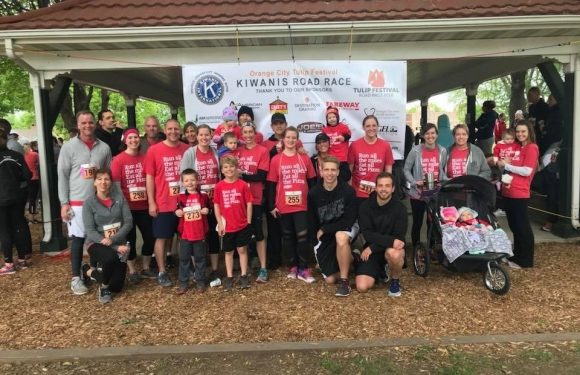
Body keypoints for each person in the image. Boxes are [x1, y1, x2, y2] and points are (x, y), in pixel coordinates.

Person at [58, 110, 112, 295]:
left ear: (95, 124)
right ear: (78, 125)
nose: (87, 126)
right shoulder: (68, 147)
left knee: (98, 239)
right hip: (78, 202)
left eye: (90, 122)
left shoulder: (104, 147)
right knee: (79, 239)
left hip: (98, 201)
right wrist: (64, 203)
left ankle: (94, 271)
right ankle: (76, 277)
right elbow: (63, 176)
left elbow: (108, 174)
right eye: (83, 123)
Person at [267, 126, 317, 283]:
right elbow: (270, 184)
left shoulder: (304, 158)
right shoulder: (276, 159)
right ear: (283, 139)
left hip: (302, 204)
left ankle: (303, 268)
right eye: (288, 137)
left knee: (302, 236)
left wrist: (312, 204)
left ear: (297, 140)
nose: (290, 140)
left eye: (293, 138)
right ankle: (292, 266)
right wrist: (271, 205)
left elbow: (312, 181)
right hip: (283, 204)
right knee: (288, 237)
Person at [145, 119, 190, 287]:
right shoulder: (154, 150)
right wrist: (151, 202)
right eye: (170, 129)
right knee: (162, 237)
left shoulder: (187, 149)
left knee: (185, 237)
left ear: (180, 131)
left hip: (184, 202)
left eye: (176, 129)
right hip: (163, 202)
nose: (173, 132)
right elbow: (149, 177)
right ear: (165, 130)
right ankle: (162, 271)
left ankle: (186, 269)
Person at [308, 156, 357, 297]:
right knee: (329, 279)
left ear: (338, 172)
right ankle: (353, 259)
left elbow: (349, 220)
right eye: (326, 170)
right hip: (326, 235)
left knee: (340, 237)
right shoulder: (314, 193)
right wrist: (315, 242)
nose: (330, 173)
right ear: (321, 172)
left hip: (346, 228)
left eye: (333, 170)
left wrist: (324, 229)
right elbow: (311, 220)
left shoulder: (348, 191)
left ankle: (344, 281)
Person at [111, 128, 155, 283]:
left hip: (144, 206)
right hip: (127, 208)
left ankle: (146, 267)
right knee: (130, 239)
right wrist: (120, 206)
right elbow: (115, 186)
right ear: (125, 140)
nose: (134, 140)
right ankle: (132, 270)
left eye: (136, 137)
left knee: (150, 237)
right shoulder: (118, 160)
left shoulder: (146, 158)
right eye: (130, 138)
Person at [179, 124, 222, 287]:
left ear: (211, 135)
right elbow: (184, 177)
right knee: (195, 234)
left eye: (207, 135)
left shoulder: (215, 152)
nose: (204, 137)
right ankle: (198, 272)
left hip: (213, 200)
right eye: (201, 135)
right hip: (196, 201)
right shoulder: (190, 153)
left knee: (213, 234)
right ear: (196, 136)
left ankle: (215, 268)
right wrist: (187, 199)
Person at [82, 168, 132, 303]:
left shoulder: (120, 199)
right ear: (94, 183)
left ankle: (88, 271)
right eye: (99, 179)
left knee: (116, 287)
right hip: (96, 242)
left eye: (106, 179)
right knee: (110, 258)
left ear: (111, 182)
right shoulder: (89, 203)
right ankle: (104, 288)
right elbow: (90, 230)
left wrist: (113, 240)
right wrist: (111, 244)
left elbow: (128, 223)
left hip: (117, 241)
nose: (103, 182)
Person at [260, 113, 303, 269]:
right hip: (272, 189)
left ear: (286, 124)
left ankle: (295, 259)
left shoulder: (294, 141)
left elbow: (301, 158)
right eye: (275, 123)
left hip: (292, 191)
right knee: (274, 228)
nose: (279, 126)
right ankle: (275, 259)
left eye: (281, 123)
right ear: (271, 126)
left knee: (292, 229)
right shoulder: (266, 144)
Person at [356, 172, 408, 296]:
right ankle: (380, 270)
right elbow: (367, 234)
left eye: (387, 186)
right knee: (362, 287)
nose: (383, 189)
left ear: (393, 188)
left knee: (394, 253)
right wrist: (382, 244)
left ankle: (395, 281)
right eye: (380, 186)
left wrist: (373, 247)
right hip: (372, 251)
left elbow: (399, 240)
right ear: (375, 187)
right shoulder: (365, 206)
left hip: (384, 248)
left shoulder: (400, 209)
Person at [497, 121, 539, 269]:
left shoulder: (531, 148)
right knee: (514, 225)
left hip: (520, 193)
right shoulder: (518, 148)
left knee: (522, 226)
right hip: (509, 191)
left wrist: (506, 165)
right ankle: (517, 255)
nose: (520, 134)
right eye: (518, 132)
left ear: (529, 132)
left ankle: (526, 260)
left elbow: (527, 170)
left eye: (524, 132)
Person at [403, 123, 448, 248]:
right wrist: (413, 182)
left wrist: (445, 180)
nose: (430, 136)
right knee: (417, 222)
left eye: (433, 133)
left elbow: (442, 170)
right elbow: (406, 169)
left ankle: (430, 248)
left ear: (437, 135)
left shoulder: (442, 150)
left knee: (432, 222)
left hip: (434, 193)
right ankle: (417, 249)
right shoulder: (416, 150)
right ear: (423, 135)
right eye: (427, 133)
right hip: (417, 194)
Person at [214, 155, 254, 291]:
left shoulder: (243, 185)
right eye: (226, 167)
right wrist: (220, 223)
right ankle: (229, 277)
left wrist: (248, 221)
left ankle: (243, 275)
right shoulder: (219, 186)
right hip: (227, 226)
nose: (229, 169)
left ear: (236, 168)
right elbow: (217, 205)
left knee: (242, 250)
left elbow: (249, 203)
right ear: (222, 170)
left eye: (232, 166)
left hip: (242, 224)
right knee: (228, 252)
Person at [237, 121, 270, 282]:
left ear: (255, 133)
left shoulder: (263, 151)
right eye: (245, 132)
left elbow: (261, 176)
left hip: (255, 198)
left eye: (251, 132)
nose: (248, 135)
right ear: (241, 134)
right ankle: (245, 268)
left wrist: (241, 175)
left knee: (258, 233)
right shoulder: (237, 152)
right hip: (238, 200)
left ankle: (263, 268)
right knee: (241, 233)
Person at [0, 128, 32, 275]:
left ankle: (8, 263)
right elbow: (28, 174)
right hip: (18, 196)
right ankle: (22, 259)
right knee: (18, 226)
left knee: (4, 229)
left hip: (2, 199)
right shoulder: (16, 156)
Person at [175, 169, 210, 294]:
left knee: (200, 258)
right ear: (182, 182)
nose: (190, 183)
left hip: (199, 233)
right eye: (186, 180)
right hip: (185, 234)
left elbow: (208, 209)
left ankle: (200, 281)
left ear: (197, 181)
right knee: (184, 259)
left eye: (192, 180)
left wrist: (206, 210)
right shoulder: (180, 197)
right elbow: (177, 210)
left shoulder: (203, 196)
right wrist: (177, 212)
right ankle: (183, 283)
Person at [347, 115, 394, 204]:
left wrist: (387, 188)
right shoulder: (354, 145)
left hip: (378, 192)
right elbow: (350, 170)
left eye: (374, 125)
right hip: (358, 193)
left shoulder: (385, 145)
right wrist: (350, 191)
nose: (371, 128)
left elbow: (388, 170)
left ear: (377, 126)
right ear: (363, 127)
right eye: (368, 126)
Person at [321, 106, 351, 181]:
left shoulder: (343, 127)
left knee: (345, 178)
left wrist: (343, 138)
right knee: (332, 179)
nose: (332, 119)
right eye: (329, 118)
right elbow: (322, 141)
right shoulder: (325, 129)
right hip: (331, 159)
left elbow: (349, 135)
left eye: (334, 117)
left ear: (337, 118)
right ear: (327, 120)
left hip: (342, 159)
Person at [527, 87, 549, 153]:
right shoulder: (531, 107)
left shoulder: (545, 106)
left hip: (542, 135)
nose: (528, 97)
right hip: (532, 133)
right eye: (528, 95)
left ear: (537, 94)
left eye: (530, 95)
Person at [23, 141, 40, 223]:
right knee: (33, 199)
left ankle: (29, 216)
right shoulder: (35, 154)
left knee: (30, 198)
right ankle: (32, 217)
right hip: (35, 178)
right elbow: (40, 164)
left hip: (26, 179)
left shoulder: (23, 156)